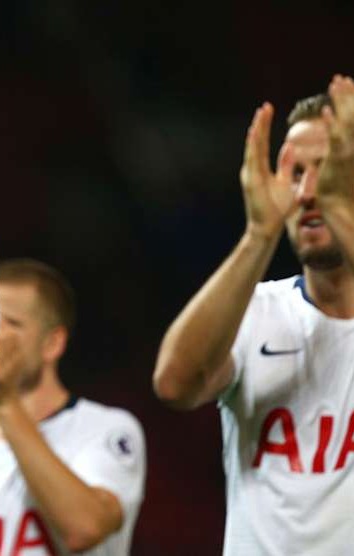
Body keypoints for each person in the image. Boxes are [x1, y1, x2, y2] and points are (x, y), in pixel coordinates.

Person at [153, 75, 354, 555]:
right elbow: (173, 384)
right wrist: (258, 236)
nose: (307, 193)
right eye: (297, 173)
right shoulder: (254, 310)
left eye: (329, 173)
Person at [0, 259, 145, 556]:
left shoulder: (105, 429)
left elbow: (84, 529)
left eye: (11, 322)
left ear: (52, 343)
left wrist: (5, 401)